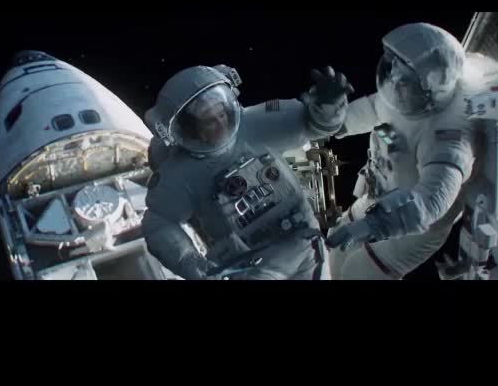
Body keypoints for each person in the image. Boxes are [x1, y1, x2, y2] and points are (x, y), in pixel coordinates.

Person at [142, 64, 353, 280]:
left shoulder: (255, 123)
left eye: (221, 113)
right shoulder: (181, 173)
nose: (221, 122)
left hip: (302, 243)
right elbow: (158, 223)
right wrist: (189, 261)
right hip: (248, 264)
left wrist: (328, 106)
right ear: (190, 128)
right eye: (209, 121)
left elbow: (311, 124)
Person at [326, 23, 477, 280]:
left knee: (359, 272)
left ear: (429, 86)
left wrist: (375, 225)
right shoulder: (402, 97)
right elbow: (373, 109)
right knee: (335, 243)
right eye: (391, 67)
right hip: (381, 195)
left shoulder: (449, 138)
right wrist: (330, 122)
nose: (394, 79)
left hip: (417, 226)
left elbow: (430, 203)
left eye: (403, 77)